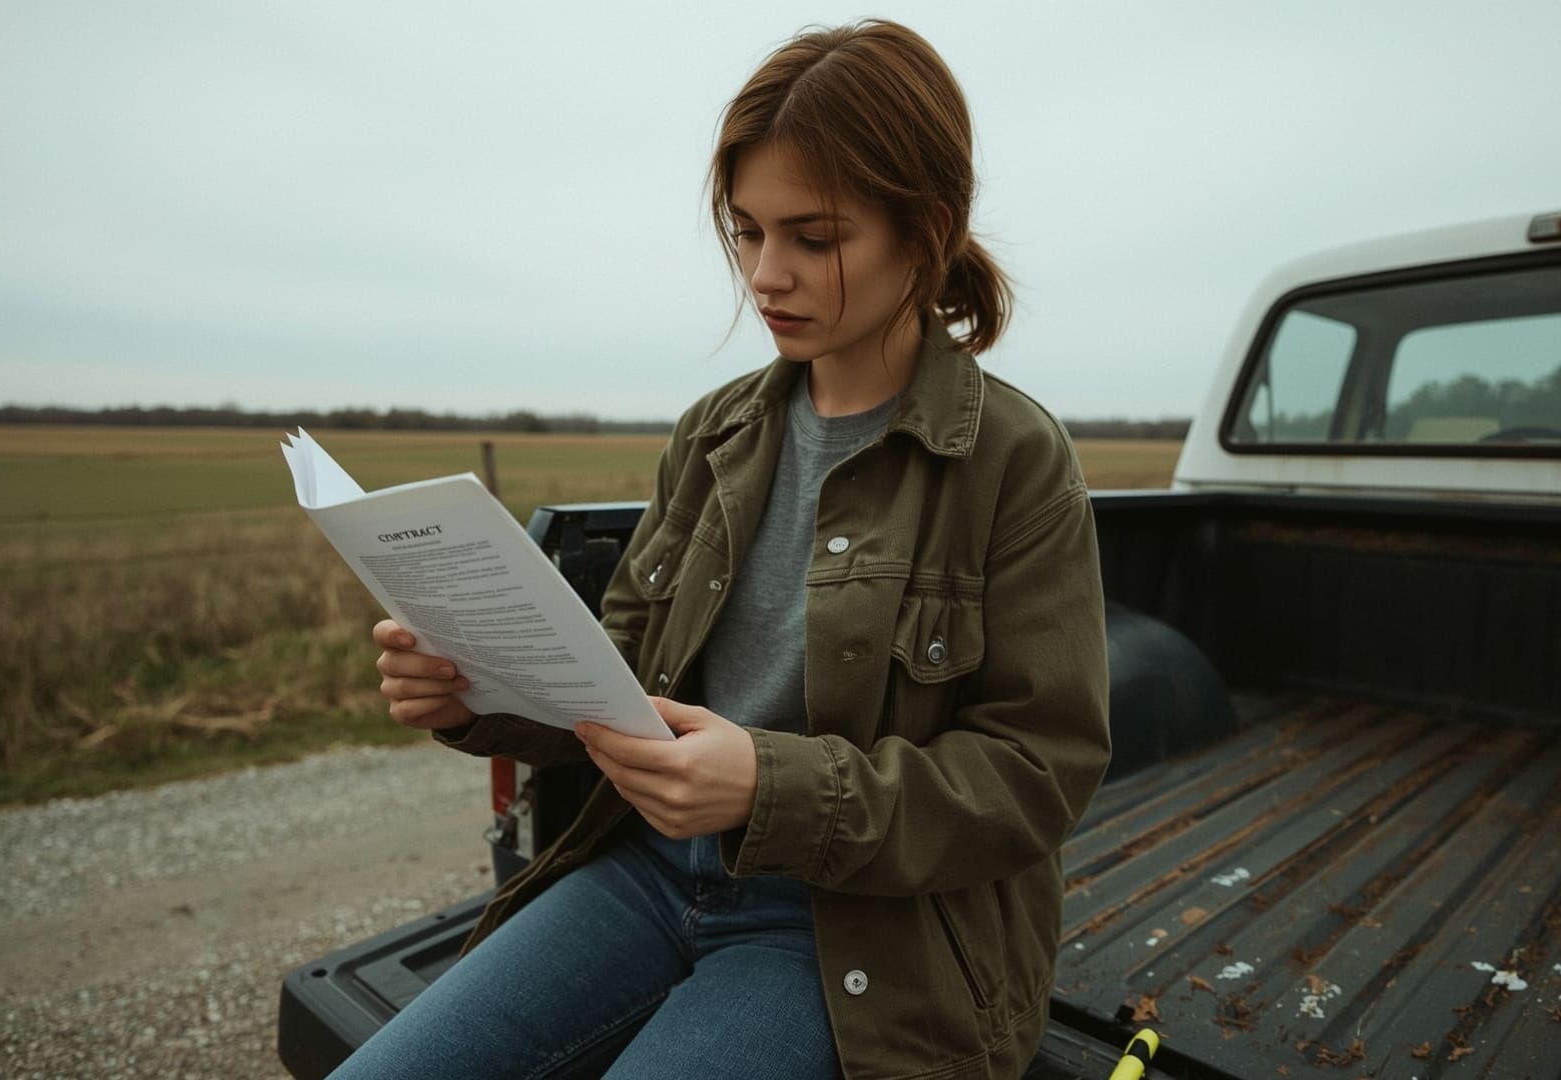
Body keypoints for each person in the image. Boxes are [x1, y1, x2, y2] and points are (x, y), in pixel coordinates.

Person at [337, 18, 1109, 1080]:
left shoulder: (1013, 461)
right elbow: (612, 678)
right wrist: (472, 694)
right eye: (747, 232)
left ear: (924, 230)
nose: (766, 274)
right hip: (648, 875)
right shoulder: (716, 433)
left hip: (850, 937)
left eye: (814, 237)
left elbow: (1037, 776)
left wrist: (768, 787)